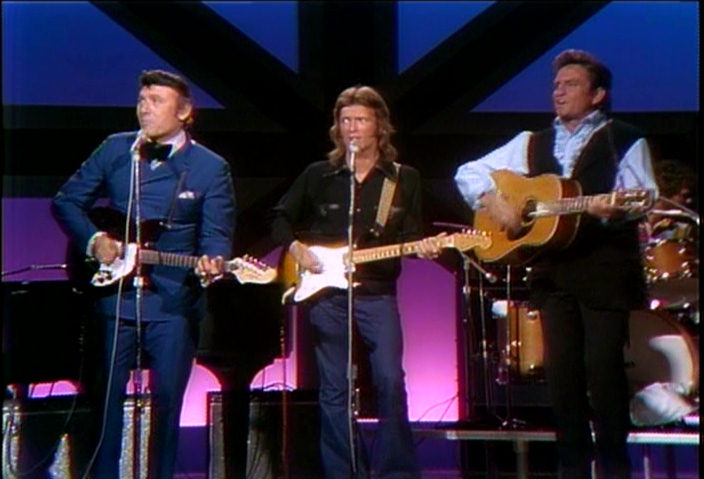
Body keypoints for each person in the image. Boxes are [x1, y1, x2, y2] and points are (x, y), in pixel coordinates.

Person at [454, 50, 658, 479]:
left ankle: (615, 469)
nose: (558, 92)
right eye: (556, 85)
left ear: (598, 94)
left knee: (603, 375)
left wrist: (615, 209)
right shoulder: (532, 143)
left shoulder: (624, 138)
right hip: (553, 273)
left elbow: (642, 198)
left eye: (570, 85)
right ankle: (571, 469)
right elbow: (468, 172)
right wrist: (497, 203)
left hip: (605, 272)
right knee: (562, 379)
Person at [52, 70, 236, 479]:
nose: (144, 107)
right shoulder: (116, 149)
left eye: (156, 100)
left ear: (185, 111)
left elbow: (217, 236)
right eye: (142, 99)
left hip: (172, 304)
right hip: (113, 299)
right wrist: (94, 239)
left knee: (167, 406)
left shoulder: (210, 168)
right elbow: (66, 202)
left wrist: (212, 263)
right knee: (103, 405)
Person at [271, 85, 440, 479]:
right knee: (334, 389)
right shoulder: (320, 175)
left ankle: (395, 471)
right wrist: (296, 248)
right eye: (345, 121)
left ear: (379, 126)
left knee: (389, 379)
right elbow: (278, 217)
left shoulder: (403, 179)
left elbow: (410, 239)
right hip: (326, 295)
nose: (352, 128)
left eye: (361, 120)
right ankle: (344, 471)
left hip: (377, 295)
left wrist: (427, 247)